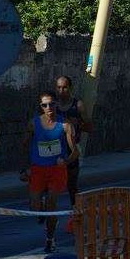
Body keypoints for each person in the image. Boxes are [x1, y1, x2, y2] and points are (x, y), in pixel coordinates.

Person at [21, 91, 79, 253]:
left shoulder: (65, 125)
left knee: (52, 205)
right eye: (44, 105)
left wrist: (66, 161)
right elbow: (24, 146)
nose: (49, 108)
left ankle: (50, 239)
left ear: (56, 105)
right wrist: (24, 169)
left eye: (51, 104)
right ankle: (42, 211)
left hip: (57, 170)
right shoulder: (33, 124)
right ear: (40, 107)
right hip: (38, 170)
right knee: (35, 206)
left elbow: (75, 152)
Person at [55, 76, 92, 209]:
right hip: (54, 149)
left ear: (70, 88)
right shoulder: (51, 106)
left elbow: (89, 127)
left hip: (71, 150)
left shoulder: (78, 105)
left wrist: (78, 125)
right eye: (59, 87)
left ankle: (77, 213)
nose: (61, 90)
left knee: (71, 185)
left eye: (64, 87)